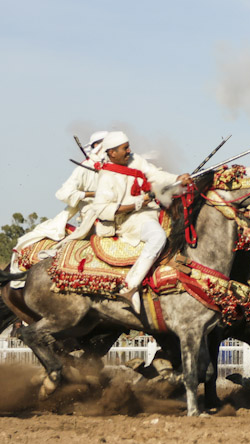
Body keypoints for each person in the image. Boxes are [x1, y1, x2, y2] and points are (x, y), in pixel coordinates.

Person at [67, 131, 191, 313]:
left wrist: (177, 179)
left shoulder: (135, 160)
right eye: (125, 148)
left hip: (149, 212)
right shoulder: (106, 177)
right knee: (157, 237)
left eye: (128, 147)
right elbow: (102, 209)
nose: (129, 151)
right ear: (112, 153)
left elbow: (155, 175)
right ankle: (130, 287)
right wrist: (136, 204)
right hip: (128, 221)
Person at [9, 130, 110, 277]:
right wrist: (91, 194)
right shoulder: (85, 168)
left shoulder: (116, 168)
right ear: (98, 146)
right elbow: (63, 193)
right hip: (93, 218)